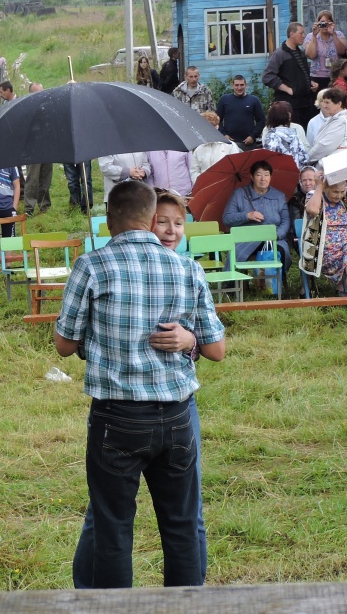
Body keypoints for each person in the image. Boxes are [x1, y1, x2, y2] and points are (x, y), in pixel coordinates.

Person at [54, 180, 225, 589]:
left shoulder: (92, 265)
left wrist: (94, 338)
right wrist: (190, 340)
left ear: (109, 219)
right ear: (151, 220)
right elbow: (216, 348)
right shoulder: (187, 267)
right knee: (183, 526)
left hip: (117, 416)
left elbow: (63, 345)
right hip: (178, 416)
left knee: (113, 529)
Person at [149, 190, 214, 581]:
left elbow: (216, 347)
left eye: (178, 223)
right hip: (128, 405)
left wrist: (190, 340)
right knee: (106, 513)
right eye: (161, 221)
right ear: (144, 223)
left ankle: (192, 595)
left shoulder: (191, 270)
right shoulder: (116, 269)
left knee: (189, 511)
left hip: (178, 402)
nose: (171, 230)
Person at [302, 171, 347, 309]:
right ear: (326, 188)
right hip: (321, 247)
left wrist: (345, 173)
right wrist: (319, 186)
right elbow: (313, 211)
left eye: (342, 191)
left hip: (346, 245)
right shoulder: (314, 196)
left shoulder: (344, 199)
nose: (338, 195)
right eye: (334, 192)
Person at [221, 159, 290, 265]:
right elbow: (227, 218)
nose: (263, 179)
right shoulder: (239, 194)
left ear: (270, 177)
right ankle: (239, 281)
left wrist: (276, 235)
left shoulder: (279, 196)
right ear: (252, 177)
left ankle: (274, 280)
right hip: (246, 241)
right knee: (238, 257)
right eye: (258, 175)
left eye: (266, 175)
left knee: (279, 253)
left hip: (274, 239)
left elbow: (285, 221)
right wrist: (247, 215)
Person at [263, 22, 316, 128]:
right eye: (301, 33)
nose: (304, 36)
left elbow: (299, 74)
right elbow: (267, 76)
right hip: (289, 106)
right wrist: (288, 89)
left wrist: (310, 82)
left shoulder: (300, 53)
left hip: (305, 104)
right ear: (292, 34)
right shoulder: (280, 54)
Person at [21, 82, 54, 215]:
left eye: (42, 91)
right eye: (37, 92)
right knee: (32, 178)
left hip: (46, 146)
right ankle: (29, 207)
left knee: (46, 177)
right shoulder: (26, 108)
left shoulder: (48, 106)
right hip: (32, 148)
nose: (41, 94)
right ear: (30, 93)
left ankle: (44, 205)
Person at [305, 87, 347, 166]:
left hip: (335, 166)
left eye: (327, 102)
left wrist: (307, 159)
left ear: (339, 104)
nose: (324, 106)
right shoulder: (336, 119)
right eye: (324, 102)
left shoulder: (341, 121)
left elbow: (325, 145)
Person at [189, 111, 242, 182]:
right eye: (205, 126)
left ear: (217, 126)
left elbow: (236, 168)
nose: (208, 129)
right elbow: (194, 171)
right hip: (204, 187)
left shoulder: (230, 146)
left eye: (212, 126)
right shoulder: (199, 148)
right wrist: (203, 180)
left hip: (225, 186)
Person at [304, 9, 347, 91]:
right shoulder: (310, 36)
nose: (325, 25)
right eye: (322, 22)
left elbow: (342, 51)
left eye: (327, 22)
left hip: (336, 76)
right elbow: (311, 55)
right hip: (317, 77)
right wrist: (314, 35)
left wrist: (333, 33)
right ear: (317, 23)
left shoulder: (338, 34)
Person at [215, 75, 264, 146]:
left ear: (246, 85)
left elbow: (261, 120)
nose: (239, 88)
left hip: (248, 143)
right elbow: (217, 120)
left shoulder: (254, 100)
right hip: (229, 143)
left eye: (242, 85)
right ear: (232, 85)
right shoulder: (224, 99)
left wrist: (253, 136)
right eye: (236, 85)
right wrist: (224, 135)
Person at [261, 100, 308, 171]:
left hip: (277, 174)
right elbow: (304, 158)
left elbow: (267, 157)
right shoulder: (294, 135)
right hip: (294, 173)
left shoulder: (271, 136)